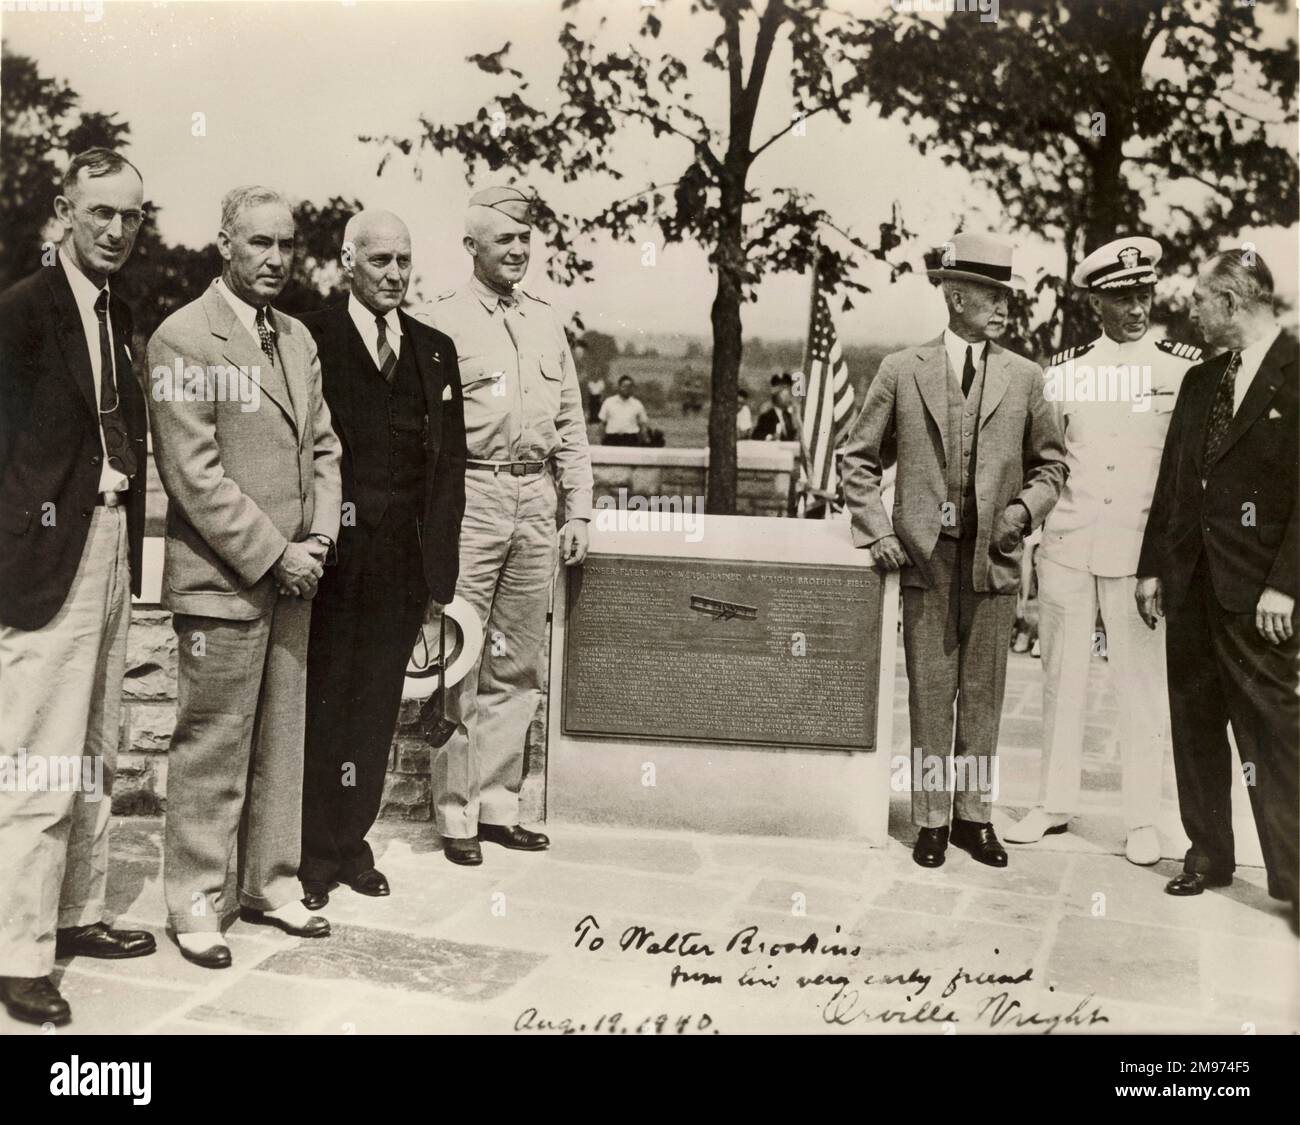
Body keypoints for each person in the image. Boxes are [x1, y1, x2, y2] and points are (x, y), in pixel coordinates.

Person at [147, 186, 342, 967]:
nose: (274, 258)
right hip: (226, 580)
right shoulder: (182, 338)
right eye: (257, 242)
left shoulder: (296, 337)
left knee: (281, 739)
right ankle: (197, 899)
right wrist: (278, 552)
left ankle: (271, 881)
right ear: (223, 243)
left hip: (295, 575)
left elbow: (324, 446)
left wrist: (321, 536)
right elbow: (194, 475)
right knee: (212, 744)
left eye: (286, 244)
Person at [841, 232, 1067, 870]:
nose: (1002, 307)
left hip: (992, 562)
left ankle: (975, 818)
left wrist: (1022, 513)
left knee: (985, 692)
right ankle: (932, 821)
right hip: (925, 559)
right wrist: (878, 529)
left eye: (1005, 295)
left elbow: (1051, 467)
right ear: (955, 295)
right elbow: (856, 459)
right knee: (931, 692)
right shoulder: (900, 370)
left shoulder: (1025, 377)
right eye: (990, 294)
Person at [0, 148, 156, 1027]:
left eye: (130, 215)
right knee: (35, 755)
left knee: (97, 742)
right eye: (100, 212)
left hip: (111, 543)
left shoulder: (116, 310)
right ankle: (18, 954)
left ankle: (78, 912)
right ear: (65, 209)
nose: (115, 230)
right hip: (44, 556)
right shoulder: (21, 314)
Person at [1007, 237, 1202, 865]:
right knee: (1061, 675)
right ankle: (1054, 801)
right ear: (1096, 303)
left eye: (1144, 295)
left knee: (1141, 684)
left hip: (1140, 553)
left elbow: (1186, 472)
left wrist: (1170, 559)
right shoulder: (1062, 371)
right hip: (1067, 541)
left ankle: (1146, 817)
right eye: (1122, 299)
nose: (1137, 308)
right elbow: (1042, 460)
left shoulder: (1182, 369)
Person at [413, 186, 593, 866]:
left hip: (535, 496)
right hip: (474, 495)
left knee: (518, 661)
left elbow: (571, 425)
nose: (518, 251)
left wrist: (577, 507)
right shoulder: (439, 324)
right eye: (504, 241)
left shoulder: (547, 323)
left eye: (525, 240)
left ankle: (497, 806)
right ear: (472, 247)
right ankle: (455, 814)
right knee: (460, 654)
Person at [296, 210, 466, 910]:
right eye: (380, 262)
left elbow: (449, 468)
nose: (394, 274)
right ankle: (310, 852)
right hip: (334, 565)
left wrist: (440, 576)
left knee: (373, 709)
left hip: (402, 567)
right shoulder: (311, 338)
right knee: (324, 704)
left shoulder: (433, 349)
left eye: (404, 261)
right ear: (347, 262)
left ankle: (352, 845)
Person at [1136, 250, 1297, 926]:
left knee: (1275, 730)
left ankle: (1293, 875)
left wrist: (1286, 587)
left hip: (1260, 593)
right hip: (1191, 585)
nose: (1192, 313)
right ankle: (1208, 853)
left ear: (1233, 302)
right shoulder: (1202, 380)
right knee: (1193, 719)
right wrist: (1152, 567)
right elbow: (1173, 481)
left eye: (1201, 302)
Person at [599, 375, 649, 446]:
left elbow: (643, 425)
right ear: (619, 387)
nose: (627, 389)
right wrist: (602, 441)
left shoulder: (637, 404)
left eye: (630, 387)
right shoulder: (608, 402)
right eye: (624, 386)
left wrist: (646, 441)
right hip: (611, 439)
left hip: (630, 439)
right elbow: (602, 424)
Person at [753, 374, 801, 441]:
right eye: (784, 393)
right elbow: (756, 435)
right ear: (776, 395)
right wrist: (770, 437)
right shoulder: (766, 417)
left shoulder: (788, 416)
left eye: (789, 393)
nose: (789, 398)